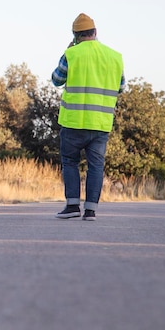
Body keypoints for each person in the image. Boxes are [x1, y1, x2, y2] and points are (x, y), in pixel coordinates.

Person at [51, 13, 125, 221]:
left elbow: (56, 79)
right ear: (95, 32)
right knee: (96, 166)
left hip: (73, 121)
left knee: (70, 162)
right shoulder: (114, 56)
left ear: (75, 36)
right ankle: (91, 210)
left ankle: (73, 206)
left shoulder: (72, 54)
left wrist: (67, 52)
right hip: (101, 123)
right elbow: (121, 87)